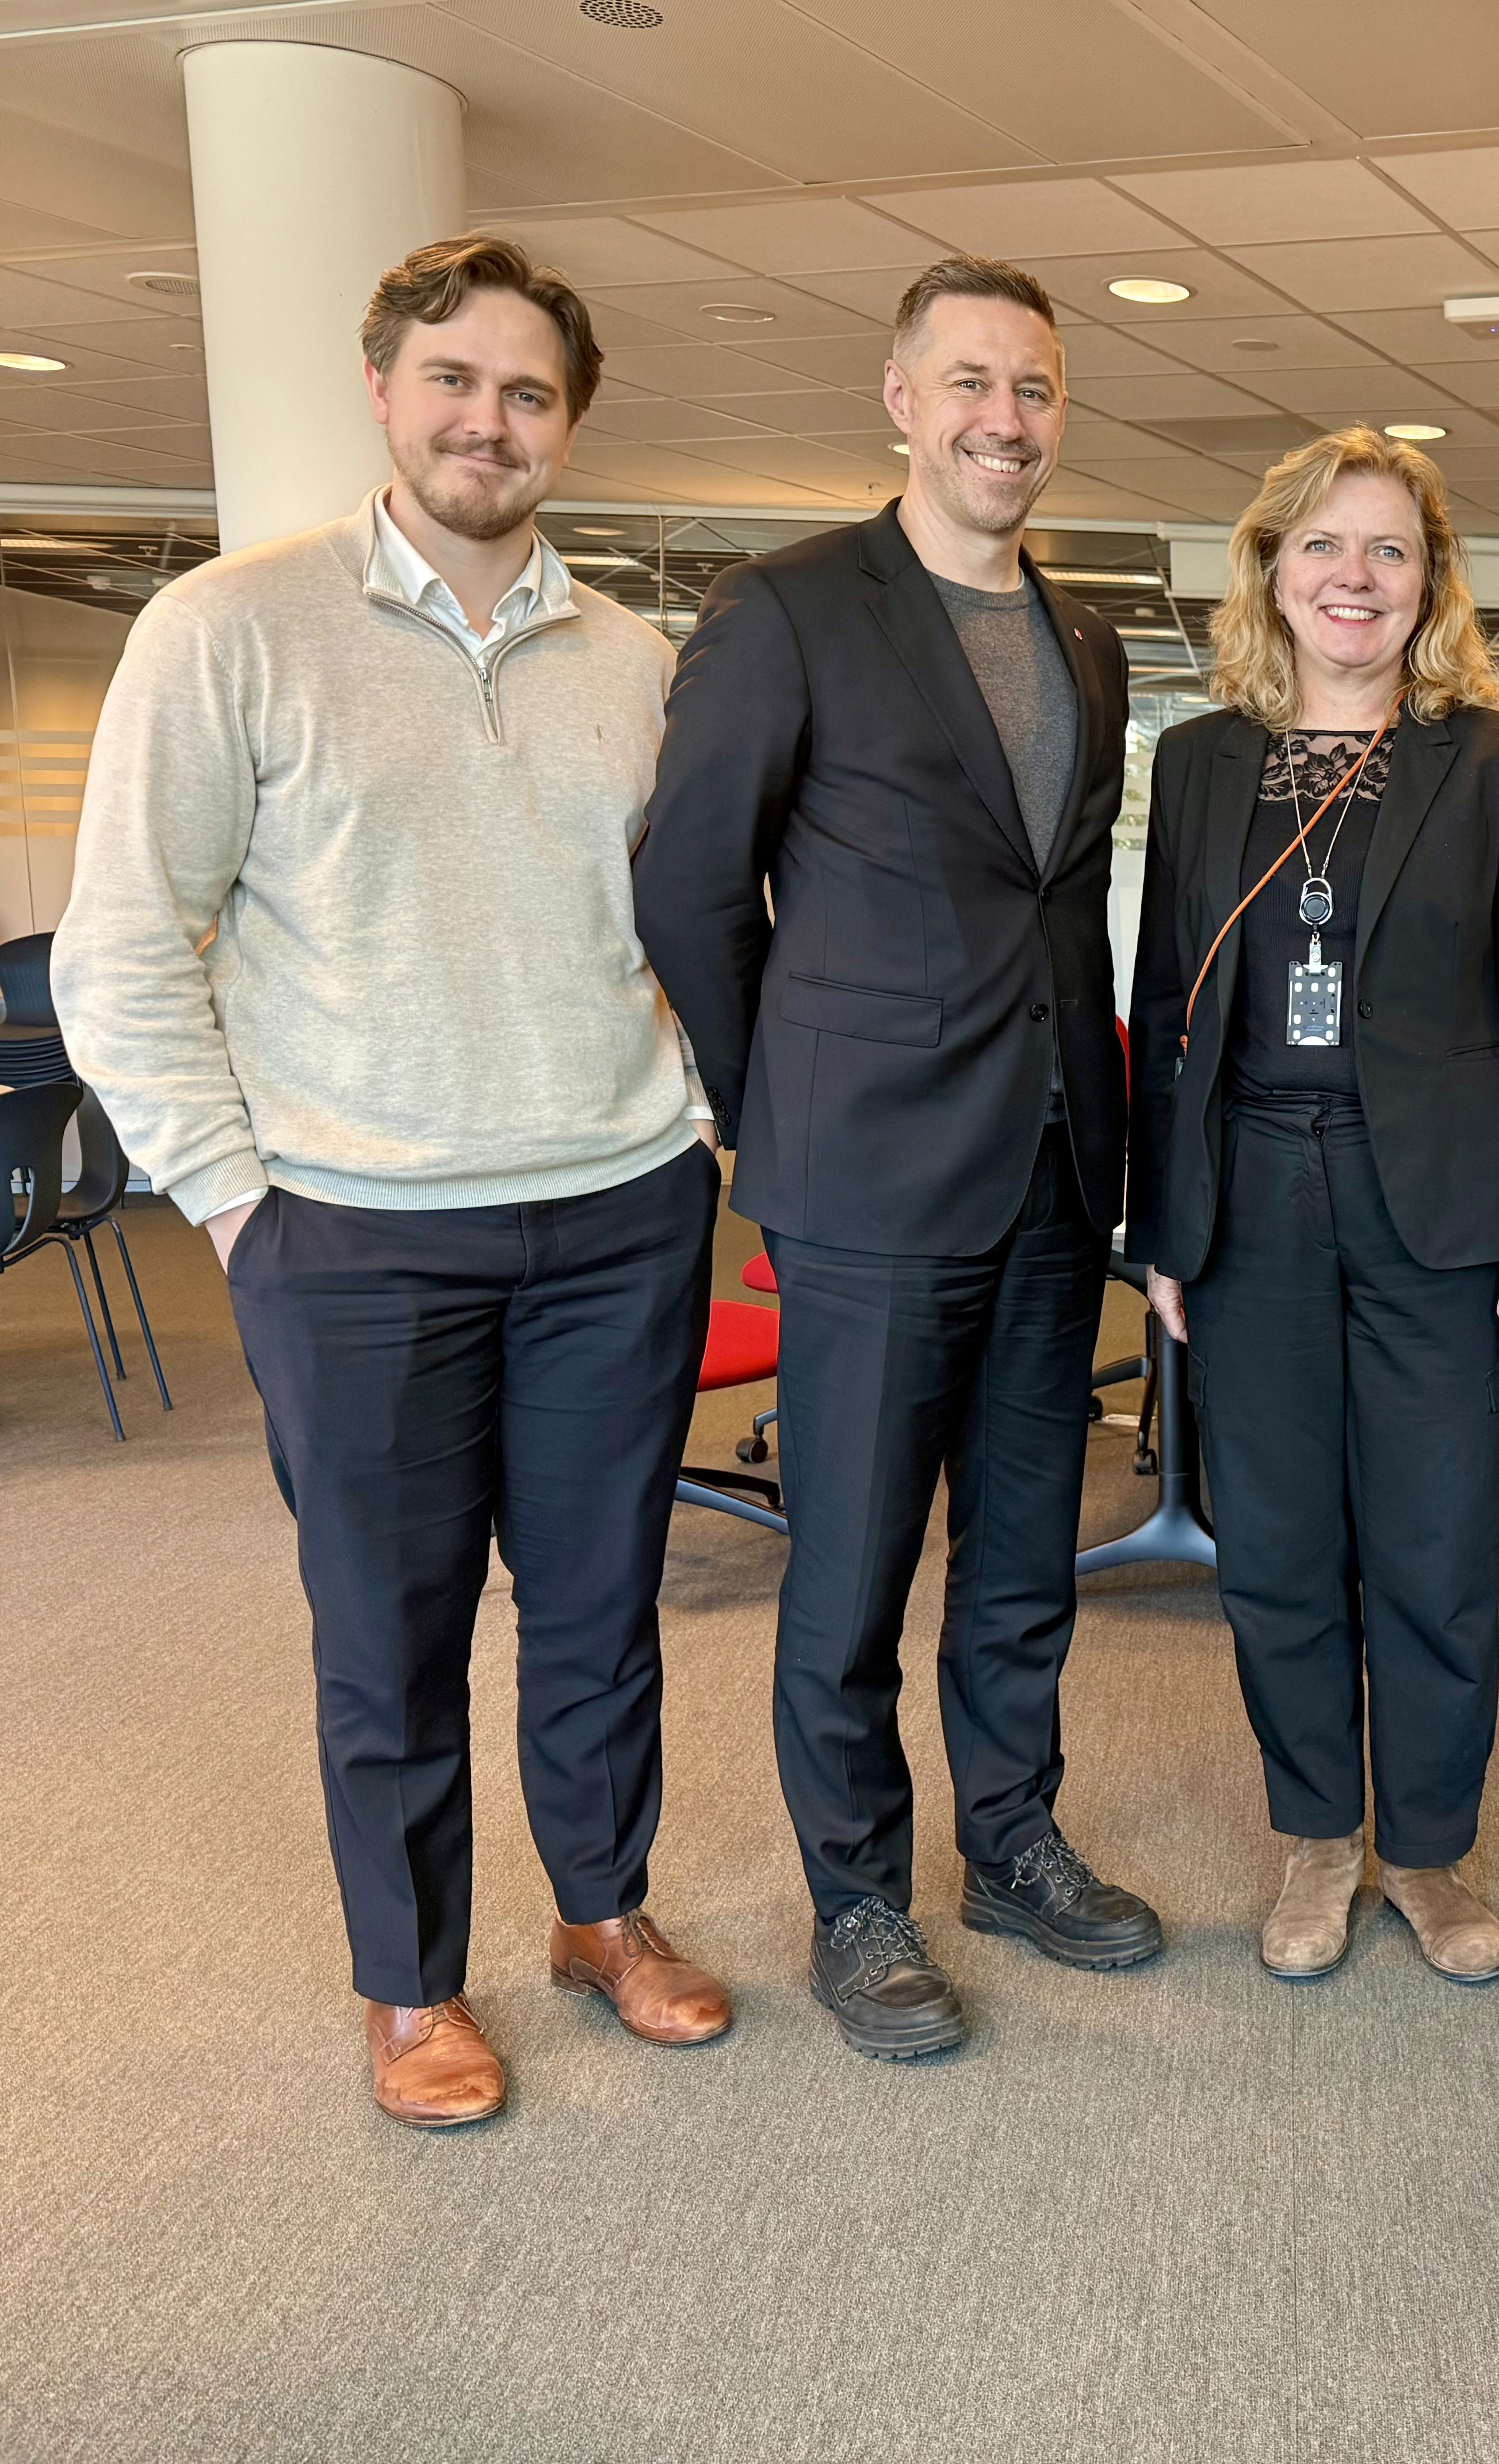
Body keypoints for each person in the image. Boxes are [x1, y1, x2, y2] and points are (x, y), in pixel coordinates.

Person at [56, 235, 731, 2128]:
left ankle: (603, 1912)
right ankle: (411, 1981)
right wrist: (232, 1202)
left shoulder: (635, 659)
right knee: (393, 1623)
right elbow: (124, 949)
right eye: (456, 380)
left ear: (569, 425)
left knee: (599, 1605)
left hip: (616, 1208)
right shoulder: (231, 626)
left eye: (528, 393)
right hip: (350, 1235)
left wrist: (690, 1122)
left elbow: (681, 919)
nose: (488, 421)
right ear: (385, 390)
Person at [635, 256, 1149, 2062]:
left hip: (1049, 1171)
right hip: (861, 1176)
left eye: (1035, 390)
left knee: (1024, 1554)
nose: (1005, 419)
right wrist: (767, 1088)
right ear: (901, 398)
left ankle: (1011, 1840)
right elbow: (691, 880)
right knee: (848, 1567)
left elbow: (1064, 914)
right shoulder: (789, 608)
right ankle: (859, 1896)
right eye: (972, 384)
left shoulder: (1087, 637)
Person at [1125, 428, 1499, 1988]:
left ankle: (1428, 1848)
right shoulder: (1199, 762)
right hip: (1251, 1192)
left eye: (1388, 551)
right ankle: (1319, 1832)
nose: (1355, 577)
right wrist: (1163, 1232)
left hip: (1440, 1210)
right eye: (1323, 546)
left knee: (1436, 1543)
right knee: (1273, 1544)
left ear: (1429, 584)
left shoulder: (1492, 759)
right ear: (1272, 569)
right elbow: (1164, 1007)